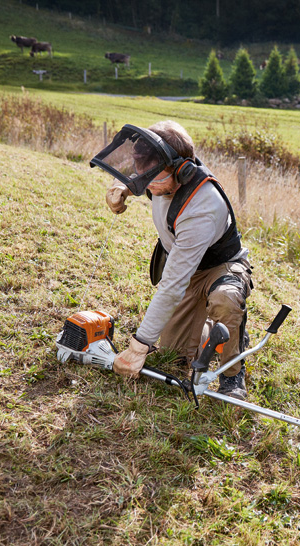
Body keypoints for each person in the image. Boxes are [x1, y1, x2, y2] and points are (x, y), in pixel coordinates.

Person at [91, 120, 253, 400]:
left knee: (224, 299)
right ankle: (219, 329)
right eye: (143, 176)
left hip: (220, 267)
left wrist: (139, 347)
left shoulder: (202, 207)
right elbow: (142, 172)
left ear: (182, 170)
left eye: (152, 178)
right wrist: (123, 188)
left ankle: (232, 369)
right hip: (187, 272)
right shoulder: (158, 172)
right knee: (173, 356)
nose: (145, 184)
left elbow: (172, 285)